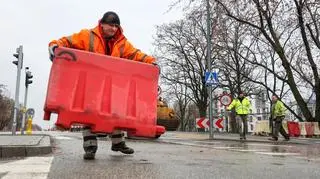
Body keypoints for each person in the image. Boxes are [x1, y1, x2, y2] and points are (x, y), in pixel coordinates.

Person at [48, 11, 157, 160]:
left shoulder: (121, 42)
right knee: (89, 115)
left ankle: (118, 143)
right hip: (91, 85)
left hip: (112, 86)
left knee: (116, 113)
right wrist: (54, 46)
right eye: (111, 25)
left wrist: (151, 62)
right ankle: (90, 148)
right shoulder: (87, 36)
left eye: (116, 26)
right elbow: (66, 41)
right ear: (102, 24)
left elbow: (135, 54)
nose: (113, 29)